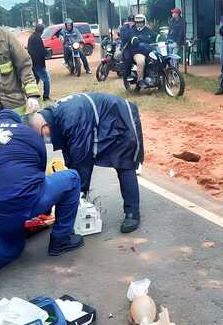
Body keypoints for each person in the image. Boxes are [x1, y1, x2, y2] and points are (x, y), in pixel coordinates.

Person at [0, 109, 84, 294]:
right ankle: (61, 240)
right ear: (19, 123)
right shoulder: (29, 133)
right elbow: (39, 172)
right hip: (21, 201)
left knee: (13, 244)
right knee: (72, 178)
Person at [25, 92, 144, 233]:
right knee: (77, 172)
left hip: (121, 118)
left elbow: (82, 159)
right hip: (103, 121)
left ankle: (132, 212)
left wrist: (77, 192)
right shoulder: (53, 117)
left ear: (44, 127)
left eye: (42, 137)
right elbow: (68, 150)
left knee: (124, 164)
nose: (45, 141)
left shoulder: (71, 119)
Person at [128, 14, 157, 87]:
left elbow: (156, 36)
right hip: (138, 52)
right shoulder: (132, 31)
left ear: (144, 22)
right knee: (141, 61)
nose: (139, 24)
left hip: (149, 51)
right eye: (137, 22)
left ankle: (159, 77)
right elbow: (133, 39)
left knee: (159, 59)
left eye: (141, 22)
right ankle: (140, 80)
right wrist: (135, 39)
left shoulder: (148, 30)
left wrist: (163, 38)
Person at [27, 23, 51, 101]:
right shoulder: (38, 38)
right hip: (39, 64)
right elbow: (40, 51)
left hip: (32, 63)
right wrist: (46, 53)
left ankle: (32, 96)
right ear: (42, 30)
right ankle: (46, 97)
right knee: (46, 80)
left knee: (36, 80)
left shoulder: (31, 37)